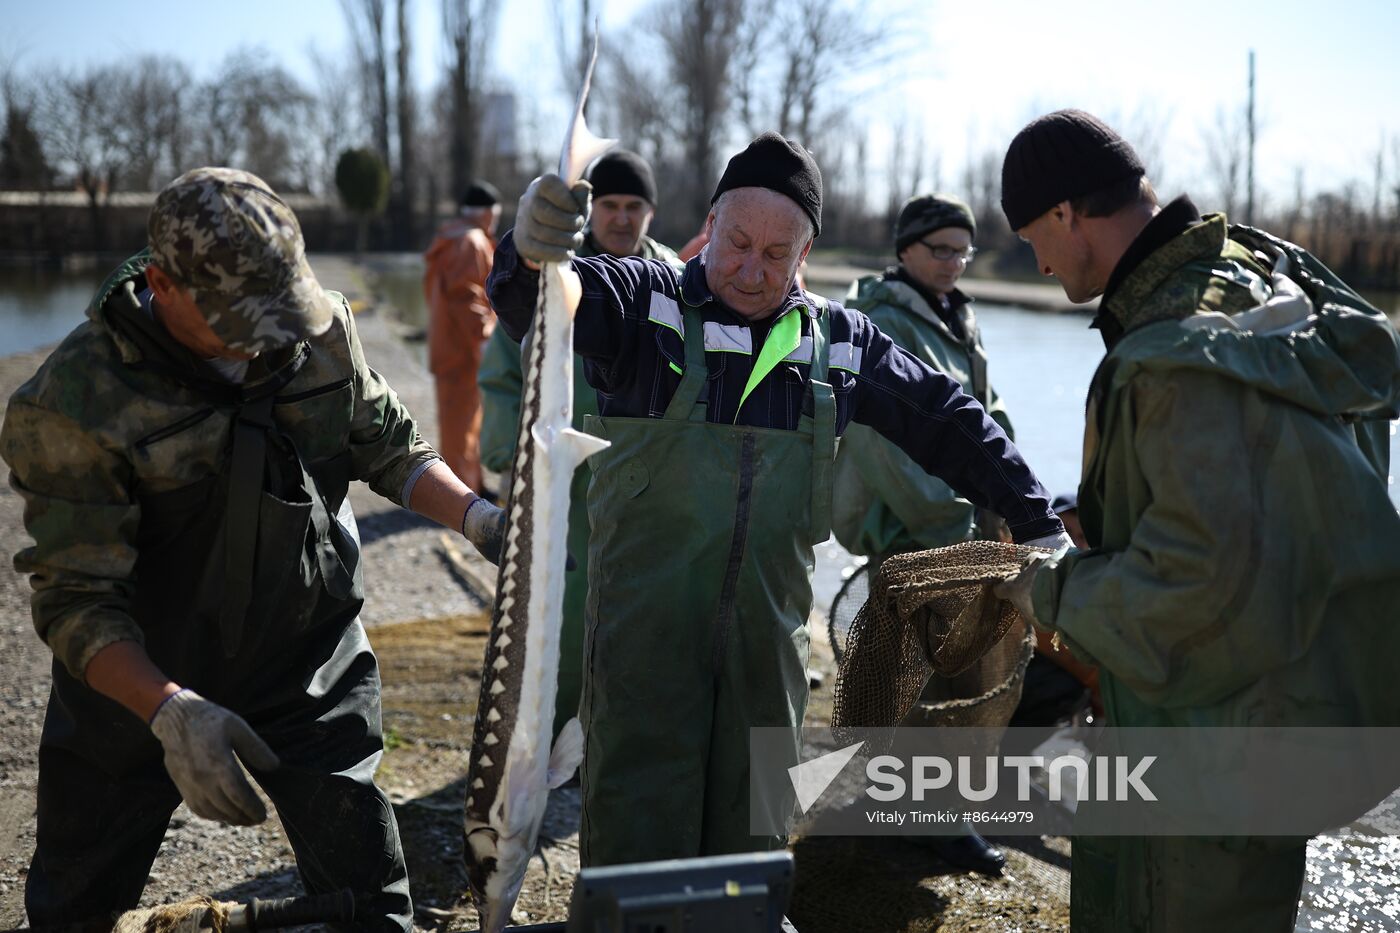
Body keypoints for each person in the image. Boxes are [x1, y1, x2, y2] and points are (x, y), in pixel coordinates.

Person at [487, 131, 1070, 867]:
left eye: (775, 254)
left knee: (752, 840)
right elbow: (543, 303)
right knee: (638, 830)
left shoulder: (839, 343)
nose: (750, 271)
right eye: (736, 244)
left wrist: (1035, 517)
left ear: (805, 256)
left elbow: (949, 418)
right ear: (711, 224)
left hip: (769, 651)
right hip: (643, 644)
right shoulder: (645, 302)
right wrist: (529, 248)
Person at [1, 168, 507, 932]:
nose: (270, 338)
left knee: (371, 904)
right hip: (136, 676)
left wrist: (478, 518)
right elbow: (77, 603)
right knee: (76, 911)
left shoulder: (319, 329)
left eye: (284, 311)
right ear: (162, 286)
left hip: (307, 647)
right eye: (240, 318)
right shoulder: (74, 403)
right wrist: (170, 712)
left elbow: (389, 446)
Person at [992, 110, 1400, 931]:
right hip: (1270, 720)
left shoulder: (1172, 349)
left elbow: (1199, 582)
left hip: (1205, 755)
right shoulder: (1256, 276)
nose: (1034, 261)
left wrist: (1051, 590)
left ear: (1069, 213)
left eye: (1033, 233)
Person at [831, 192, 1012, 875]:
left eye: (962, 250)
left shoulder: (956, 315)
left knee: (943, 670)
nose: (953, 262)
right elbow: (884, 443)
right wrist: (955, 521)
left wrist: (1009, 490)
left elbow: (987, 412)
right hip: (916, 525)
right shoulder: (881, 320)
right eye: (939, 249)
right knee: (921, 676)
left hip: (961, 517)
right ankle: (926, 821)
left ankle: (914, 808)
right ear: (905, 249)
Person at [477, 150, 678, 743]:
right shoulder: (555, 274)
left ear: (651, 211)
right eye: (609, 205)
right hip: (566, 483)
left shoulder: (676, 280)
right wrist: (508, 458)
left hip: (650, 487)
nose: (620, 218)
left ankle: (623, 739)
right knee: (558, 620)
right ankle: (547, 745)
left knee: (645, 619)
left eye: (633, 206)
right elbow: (500, 375)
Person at [423, 180, 502, 492]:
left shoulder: (453, 237)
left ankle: (475, 484)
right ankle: (459, 498)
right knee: (460, 427)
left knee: (466, 422)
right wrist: (485, 341)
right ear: (485, 213)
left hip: (449, 347)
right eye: (494, 214)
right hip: (463, 351)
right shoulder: (471, 242)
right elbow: (467, 298)